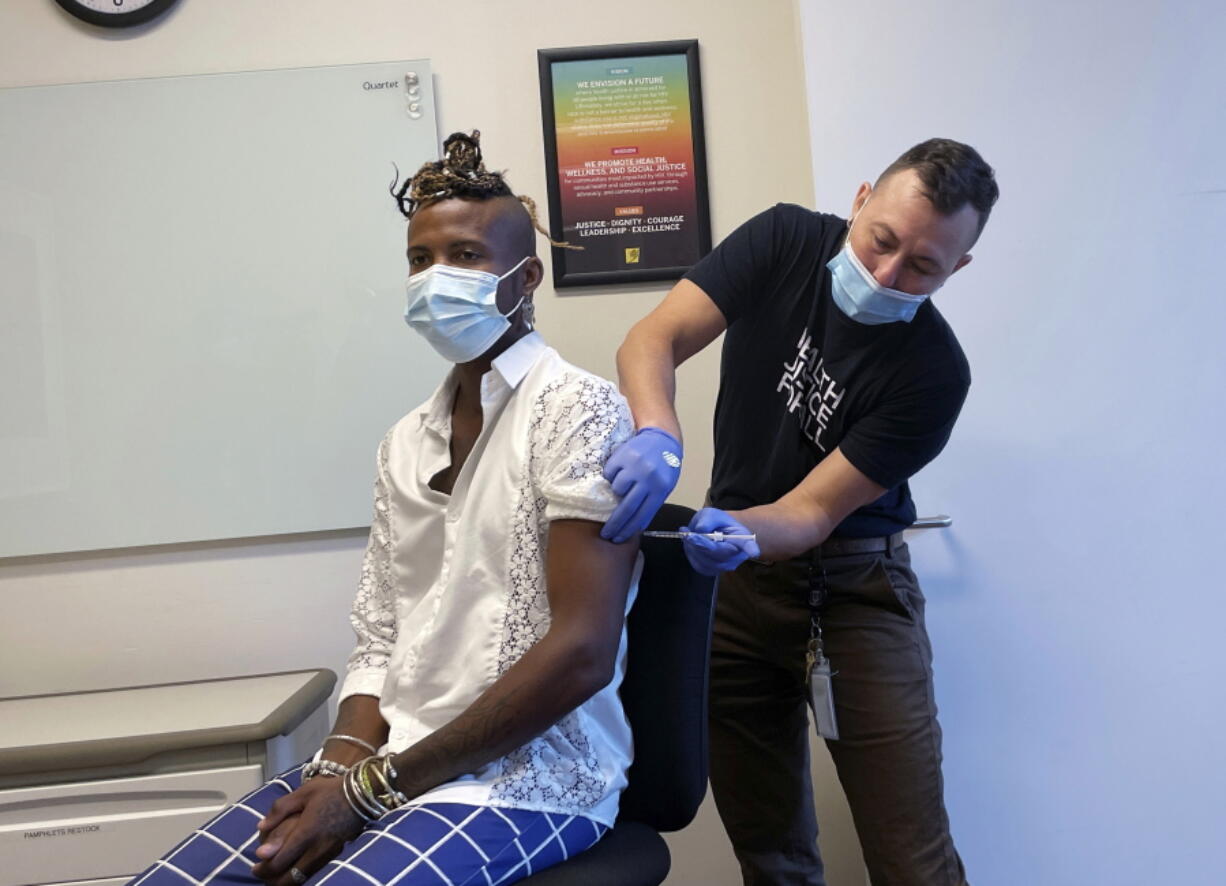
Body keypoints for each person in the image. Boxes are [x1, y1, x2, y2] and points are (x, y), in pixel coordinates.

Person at [129, 131, 642, 886]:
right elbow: (379, 640)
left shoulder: (582, 410)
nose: (436, 278)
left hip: (527, 784)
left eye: (466, 256)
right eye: (419, 259)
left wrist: (367, 793)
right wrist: (339, 768)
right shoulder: (405, 441)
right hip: (390, 765)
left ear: (524, 277)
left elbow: (581, 654)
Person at [601, 138, 998, 885]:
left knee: (913, 858)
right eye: (881, 241)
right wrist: (657, 428)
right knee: (770, 850)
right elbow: (655, 337)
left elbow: (812, 514)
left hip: (856, 591)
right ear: (859, 200)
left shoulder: (935, 375)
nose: (886, 274)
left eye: (922, 266)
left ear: (958, 269)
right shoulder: (785, 240)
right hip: (739, 596)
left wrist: (743, 530)